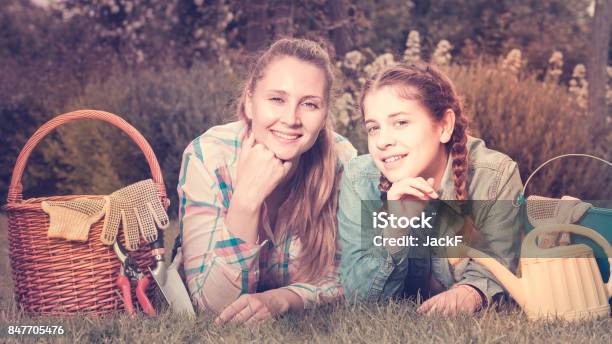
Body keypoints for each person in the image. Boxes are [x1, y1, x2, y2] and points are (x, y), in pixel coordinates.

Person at [175, 38, 357, 325]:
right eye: (277, 99)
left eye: (309, 104)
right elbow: (212, 305)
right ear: (249, 101)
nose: (291, 119)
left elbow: (354, 276)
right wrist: (246, 201)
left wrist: (281, 299)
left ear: (324, 116)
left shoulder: (343, 160)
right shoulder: (208, 157)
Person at [338, 62, 523, 315]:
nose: (383, 141)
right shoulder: (360, 179)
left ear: (444, 126)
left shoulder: (494, 177)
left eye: (401, 122)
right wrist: (394, 230)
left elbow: (498, 266)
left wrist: (469, 293)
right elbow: (360, 298)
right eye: (373, 128)